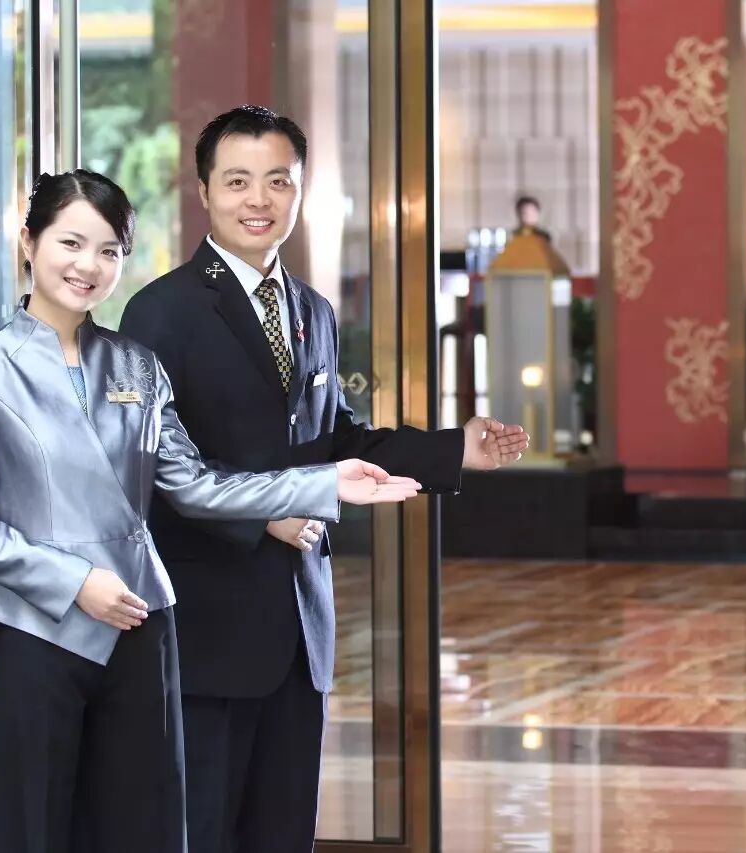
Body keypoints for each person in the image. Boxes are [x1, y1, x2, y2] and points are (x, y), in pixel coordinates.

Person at [0, 169, 421, 853]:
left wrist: (322, 482)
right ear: (29, 241)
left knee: (148, 829)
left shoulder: (136, 366)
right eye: (71, 243)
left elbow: (195, 486)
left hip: (143, 628)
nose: (88, 265)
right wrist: (74, 581)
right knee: (31, 828)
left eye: (109, 250)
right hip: (38, 632)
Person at [119, 105, 529, 853]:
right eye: (238, 181)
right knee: (200, 832)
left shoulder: (312, 310)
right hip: (207, 630)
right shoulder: (160, 313)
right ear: (204, 191)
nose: (259, 199)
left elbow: (339, 439)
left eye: (278, 181)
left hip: (300, 628)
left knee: (284, 834)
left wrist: (454, 451)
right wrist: (265, 514)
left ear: (300, 190)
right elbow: (149, 473)